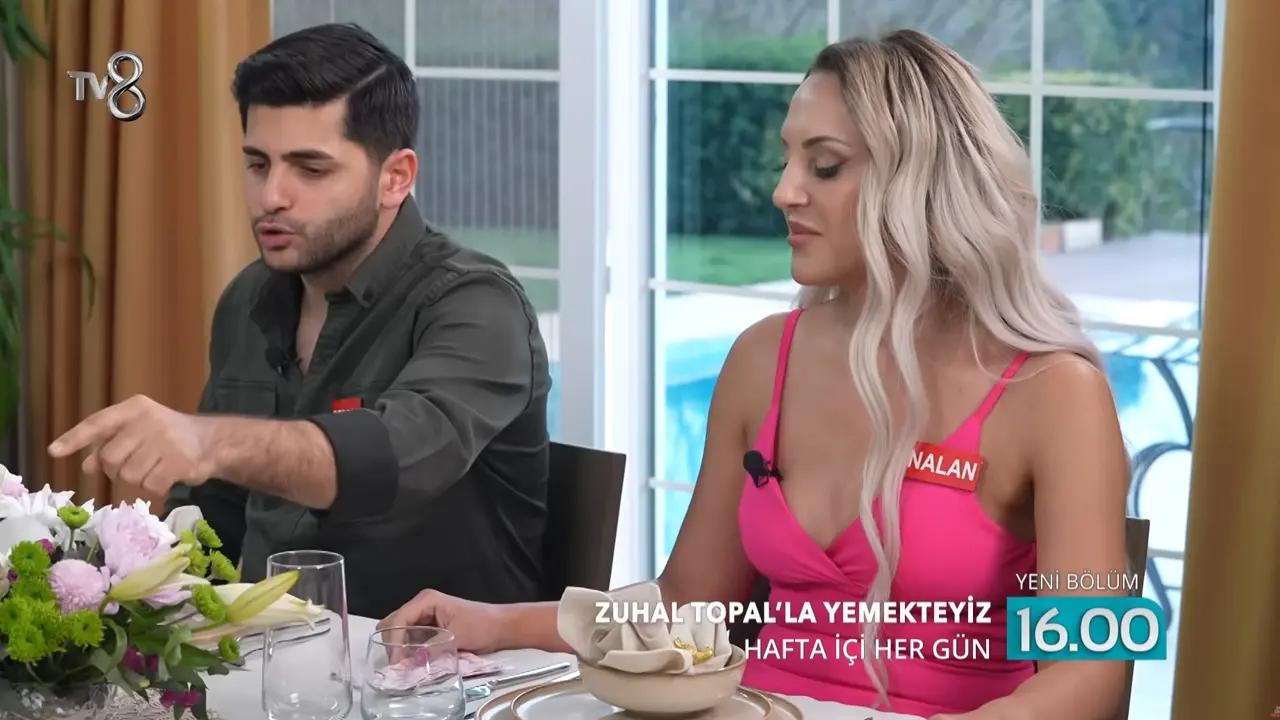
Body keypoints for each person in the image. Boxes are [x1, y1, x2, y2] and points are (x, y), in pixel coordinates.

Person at [379, 30, 1131, 720]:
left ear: (924, 182)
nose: (784, 191)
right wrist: (496, 622)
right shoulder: (762, 359)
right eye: (788, 160)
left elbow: (1094, 671)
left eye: (824, 166)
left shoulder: (1055, 393)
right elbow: (687, 602)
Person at [46, 23, 553, 619]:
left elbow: (393, 461)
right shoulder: (248, 299)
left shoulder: (477, 304)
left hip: (436, 663)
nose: (271, 197)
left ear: (395, 177)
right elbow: (216, 513)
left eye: (310, 169)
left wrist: (209, 441)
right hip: (265, 653)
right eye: (258, 164)